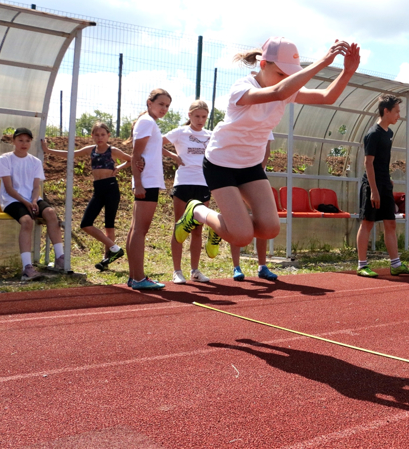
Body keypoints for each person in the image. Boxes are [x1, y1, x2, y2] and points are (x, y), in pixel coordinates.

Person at [174, 37, 360, 260]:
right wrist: (322, 62)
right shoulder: (241, 89)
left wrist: (347, 71)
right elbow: (279, 92)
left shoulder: (286, 89)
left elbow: (327, 96)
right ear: (263, 65)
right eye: (281, 74)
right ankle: (197, 210)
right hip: (220, 164)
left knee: (270, 229)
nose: (286, 80)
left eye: (289, 74)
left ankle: (224, 225)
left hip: (250, 166)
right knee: (241, 236)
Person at [41, 122, 131, 271]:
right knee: (85, 224)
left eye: (103, 134)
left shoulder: (112, 150)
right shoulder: (91, 150)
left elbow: (131, 159)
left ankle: (106, 260)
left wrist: (118, 168)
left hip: (111, 188)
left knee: (109, 224)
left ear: (108, 135)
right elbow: (72, 154)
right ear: (92, 136)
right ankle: (115, 248)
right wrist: (48, 150)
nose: (100, 137)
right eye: (96, 134)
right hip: (98, 189)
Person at [356, 94, 409, 278]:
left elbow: (382, 161)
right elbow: (368, 163)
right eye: (396, 111)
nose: (399, 115)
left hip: (384, 184)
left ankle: (396, 264)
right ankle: (361, 266)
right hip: (372, 186)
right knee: (367, 223)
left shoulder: (389, 133)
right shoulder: (373, 134)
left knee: (390, 223)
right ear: (386, 111)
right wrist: (374, 190)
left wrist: (387, 179)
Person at [0, 128, 66, 280]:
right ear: (13, 141)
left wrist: (34, 201)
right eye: (20, 140)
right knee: (27, 221)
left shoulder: (35, 161)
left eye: (27, 141)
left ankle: (61, 259)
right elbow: (8, 188)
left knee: (50, 213)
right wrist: (26, 202)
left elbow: (36, 187)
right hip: (12, 200)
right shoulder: (4, 159)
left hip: (32, 199)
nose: (24, 143)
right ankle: (27, 268)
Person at [163, 100, 213, 284]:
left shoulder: (211, 135)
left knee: (197, 229)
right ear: (189, 115)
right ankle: (177, 271)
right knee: (179, 227)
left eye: (204, 117)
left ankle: (195, 270)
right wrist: (172, 156)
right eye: (197, 116)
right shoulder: (180, 132)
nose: (200, 120)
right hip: (184, 182)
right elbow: (155, 142)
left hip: (203, 184)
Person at [126, 88, 172, 290]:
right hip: (147, 182)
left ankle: (134, 276)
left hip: (148, 181)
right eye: (161, 104)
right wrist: (139, 183)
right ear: (149, 102)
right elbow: (136, 155)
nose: (164, 108)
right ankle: (138, 278)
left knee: (135, 229)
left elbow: (148, 151)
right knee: (140, 231)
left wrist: (174, 156)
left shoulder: (149, 122)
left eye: (167, 106)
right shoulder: (146, 121)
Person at [229, 138, 278, 282]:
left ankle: (262, 266)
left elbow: (267, 150)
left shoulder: (266, 122)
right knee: (236, 221)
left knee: (262, 221)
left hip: (256, 178)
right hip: (234, 176)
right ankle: (236, 267)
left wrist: (255, 173)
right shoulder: (238, 122)